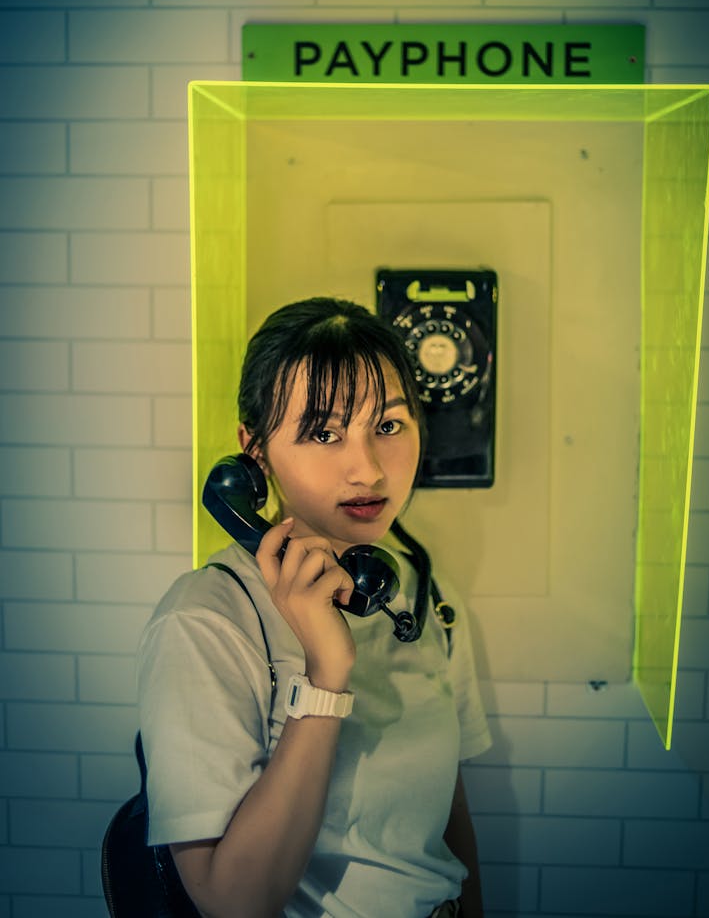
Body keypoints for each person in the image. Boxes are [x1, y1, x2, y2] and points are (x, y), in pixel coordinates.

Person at [137, 296, 491, 918]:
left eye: (387, 426)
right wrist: (326, 676)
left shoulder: (414, 590)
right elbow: (233, 901)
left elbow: (448, 806)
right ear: (254, 452)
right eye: (323, 433)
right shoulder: (205, 622)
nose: (368, 469)